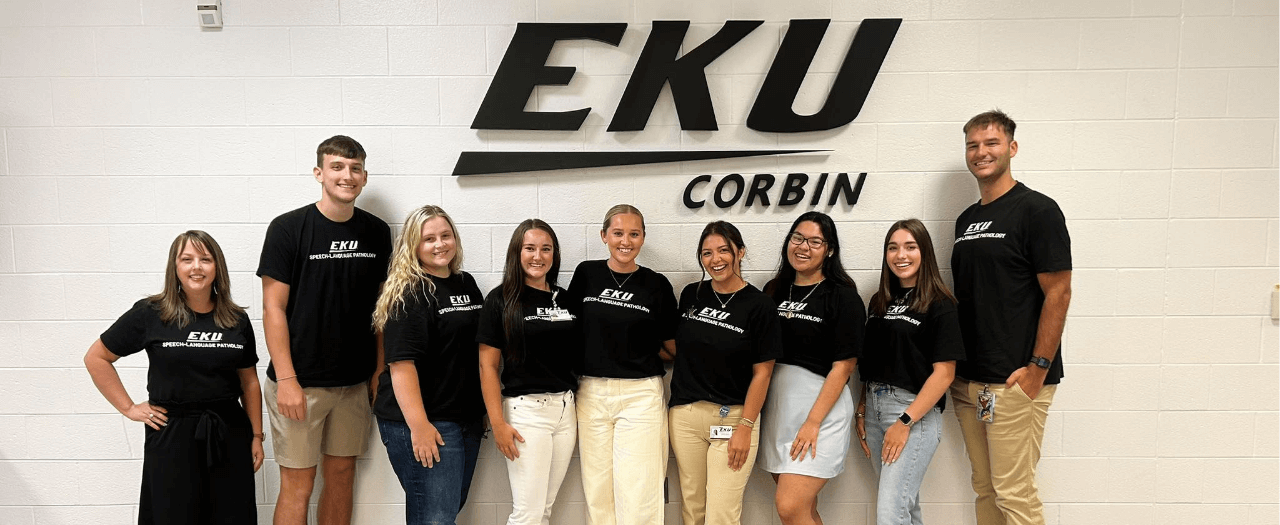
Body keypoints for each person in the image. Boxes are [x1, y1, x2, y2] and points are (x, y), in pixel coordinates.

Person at [257, 135, 392, 525]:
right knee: (298, 484)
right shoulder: (288, 228)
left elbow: (382, 309)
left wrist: (378, 369)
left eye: (354, 168)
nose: (346, 175)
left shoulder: (377, 231)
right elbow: (272, 308)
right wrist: (286, 379)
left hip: (354, 384)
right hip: (300, 384)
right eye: (337, 167)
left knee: (342, 476)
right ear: (319, 173)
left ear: (364, 177)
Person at [84, 230, 263, 524]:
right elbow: (97, 357)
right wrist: (129, 408)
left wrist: (256, 436)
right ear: (175, 267)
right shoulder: (151, 313)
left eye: (205, 259)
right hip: (171, 434)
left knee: (231, 515)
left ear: (217, 266)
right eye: (187, 259)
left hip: (228, 431)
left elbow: (249, 382)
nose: (196, 267)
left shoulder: (236, 319)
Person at [950, 110, 1072, 525]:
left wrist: (1038, 367)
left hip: (1016, 380)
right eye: (973, 145)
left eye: (991, 143)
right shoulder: (966, 220)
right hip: (971, 381)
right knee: (985, 489)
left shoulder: (1037, 210)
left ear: (1012, 148)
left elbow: (1059, 292)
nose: (981, 152)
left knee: (1014, 493)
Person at [371, 206, 486, 524]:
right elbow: (401, 365)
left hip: (463, 419)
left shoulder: (465, 283)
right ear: (413, 245)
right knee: (435, 517)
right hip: (425, 421)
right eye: (429, 239)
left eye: (445, 236)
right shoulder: (409, 292)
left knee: (446, 511)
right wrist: (419, 427)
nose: (440, 244)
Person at [566, 205, 678, 525]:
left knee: (640, 490)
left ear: (643, 238)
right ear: (604, 236)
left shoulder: (656, 284)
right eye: (618, 233)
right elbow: (569, 330)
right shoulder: (586, 274)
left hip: (640, 395)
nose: (625, 241)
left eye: (634, 234)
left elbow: (672, 345)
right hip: (591, 393)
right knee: (598, 490)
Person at [668, 220, 781, 525]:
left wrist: (746, 426)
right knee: (693, 507)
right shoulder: (691, 295)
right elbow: (680, 348)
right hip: (686, 416)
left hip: (734, 418)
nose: (715, 259)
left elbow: (763, 373)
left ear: (740, 252)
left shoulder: (760, 305)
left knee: (722, 513)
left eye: (723, 250)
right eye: (707, 253)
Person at [855, 219, 964, 525]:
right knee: (905, 507)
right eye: (893, 248)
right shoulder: (879, 302)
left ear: (924, 252)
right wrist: (862, 407)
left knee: (891, 514)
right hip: (875, 409)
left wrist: (905, 421)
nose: (900, 255)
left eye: (910, 247)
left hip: (912, 413)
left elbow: (944, 374)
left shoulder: (941, 304)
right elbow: (875, 362)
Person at [759, 212, 865, 525]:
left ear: (829, 250)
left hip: (820, 411)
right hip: (778, 411)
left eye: (815, 242)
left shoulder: (842, 296)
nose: (803, 247)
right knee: (801, 511)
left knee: (789, 506)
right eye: (798, 238)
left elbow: (844, 366)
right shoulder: (773, 290)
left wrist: (813, 422)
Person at [477, 219, 581, 525]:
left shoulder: (566, 298)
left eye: (546, 249)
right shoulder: (500, 300)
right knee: (528, 513)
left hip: (565, 410)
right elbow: (487, 366)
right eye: (530, 248)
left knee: (544, 509)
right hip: (526, 413)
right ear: (517, 253)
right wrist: (497, 422)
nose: (538, 256)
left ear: (554, 254)